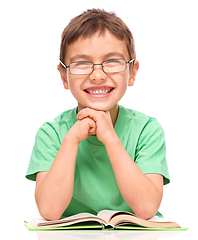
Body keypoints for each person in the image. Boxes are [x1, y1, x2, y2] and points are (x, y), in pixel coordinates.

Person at [26, 9, 170, 221]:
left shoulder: (147, 130)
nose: (97, 75)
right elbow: (49, 211)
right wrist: (72, 139)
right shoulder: (51, 133)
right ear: (64, 76)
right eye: (82, 63)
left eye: (112, 61)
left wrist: (110, 138)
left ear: (133, 72)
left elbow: (147, 208)